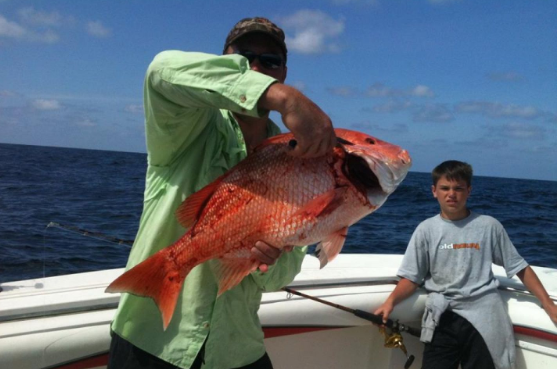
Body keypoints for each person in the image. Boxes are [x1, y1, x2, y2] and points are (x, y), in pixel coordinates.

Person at [107, 17, 336, 369]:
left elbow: (278, 279)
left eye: (269, 61)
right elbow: (161, 70)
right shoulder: (186, 127)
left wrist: (267, 260)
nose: (256, 68)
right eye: (243, 59)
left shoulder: (300, 160)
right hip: (151, 344)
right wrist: (283, 98)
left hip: (238, 350)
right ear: (223, 62)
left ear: (283, 70)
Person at [373, 160, 557, 369]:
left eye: (458, 188)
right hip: (442, 318)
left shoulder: (489, 226)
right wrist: (390, 302)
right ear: (434, 191)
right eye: (445, 188)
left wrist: (549, 305)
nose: (452, 194)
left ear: (468, 191)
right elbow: (411, 278)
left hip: (485, 317)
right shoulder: (426, 230)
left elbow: (520, 268)